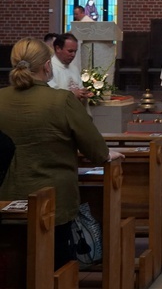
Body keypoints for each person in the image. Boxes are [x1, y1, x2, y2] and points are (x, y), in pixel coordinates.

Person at [0, 38, 124, 271]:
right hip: (54, 198)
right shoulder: (61, 100)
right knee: (55, 262)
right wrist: (106, 155)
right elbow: (95, 148)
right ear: (47, 66)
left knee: (14, 260)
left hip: (7, 196)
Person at [49, 33, 92, 104]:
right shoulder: (49, 68)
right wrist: (73, 94)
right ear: (58, 49)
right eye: (70, 51)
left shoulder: (74, 68)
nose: (73, 55)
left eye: (75, 51)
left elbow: (80, 88)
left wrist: (84, 93)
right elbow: (51, 95)